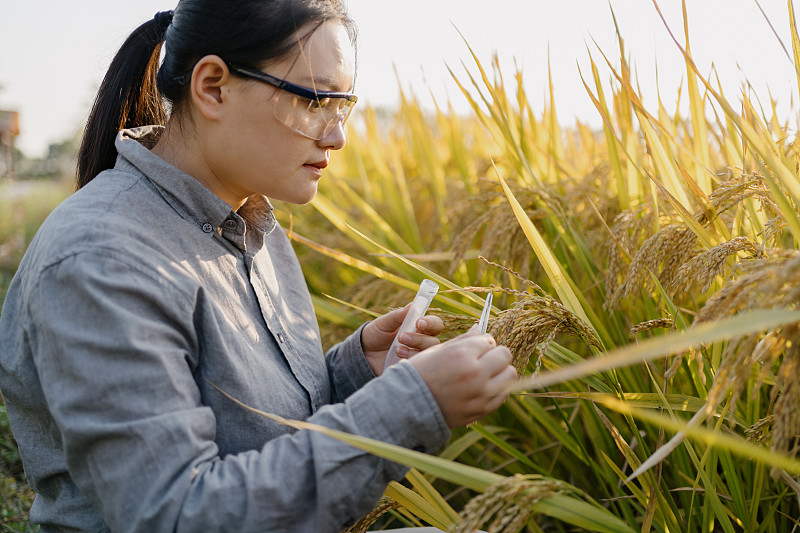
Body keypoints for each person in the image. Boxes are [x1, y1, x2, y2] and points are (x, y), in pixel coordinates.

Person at [0, 1, 517, 532]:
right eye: (314, 100)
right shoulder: (102, 262)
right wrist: (408, 405)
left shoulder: (255, 226)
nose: (336, 135)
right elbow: (176, 515)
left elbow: (257, 433)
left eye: (343, 106)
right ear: (213, 87)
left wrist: (358, 373)